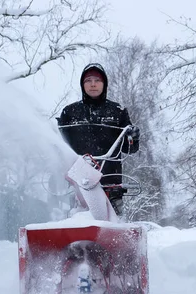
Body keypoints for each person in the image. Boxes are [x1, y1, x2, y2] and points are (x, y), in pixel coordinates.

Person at [56, 63, 140, 215]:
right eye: (88, 81)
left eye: (97, 80)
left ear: (104, 84)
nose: (93, 84)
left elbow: (130, 148)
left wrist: (133, 137)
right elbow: (61, 146)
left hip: (111, 182)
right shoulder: (70, 112)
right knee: (78, 219)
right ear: (82, 85)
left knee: (113, 220)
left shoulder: (117, 111)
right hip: (79, 183)